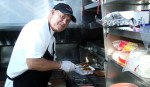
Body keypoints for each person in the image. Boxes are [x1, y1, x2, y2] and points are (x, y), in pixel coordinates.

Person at [4, 3, 78, 87]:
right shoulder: (39, 27)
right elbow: (32, 62)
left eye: (68, 20)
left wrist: (64, 67)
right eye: (62, 16)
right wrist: (61, 65)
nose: (64, 22)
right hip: (20, 83)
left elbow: (46, 63)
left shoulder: (51, 37)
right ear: (52, 13)